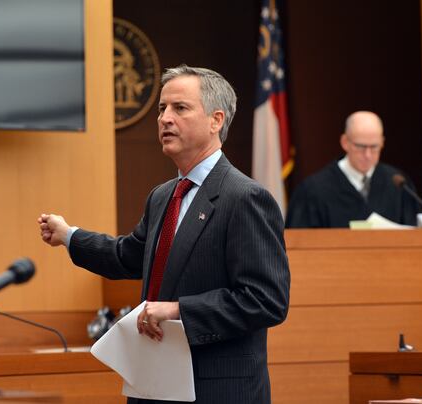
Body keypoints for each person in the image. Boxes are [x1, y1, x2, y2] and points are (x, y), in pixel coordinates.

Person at [38, 65, 290, 404]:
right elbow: (128, 257)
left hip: (216, 390)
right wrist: (70, 236)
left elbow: (265, 301)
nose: (164, 119)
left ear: (216, 120)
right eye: (161, 109)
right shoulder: (163, 196)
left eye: (180, 108)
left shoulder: (245, 198)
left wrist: (177, 310)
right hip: (154, 385)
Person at [285, 110, 422, 228]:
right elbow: (300, 243)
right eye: (360, 146)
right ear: (345, 142)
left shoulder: (398, 184)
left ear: (382, 142)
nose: (368, 155)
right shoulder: (313, 190)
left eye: (374, 147)